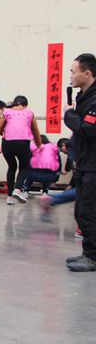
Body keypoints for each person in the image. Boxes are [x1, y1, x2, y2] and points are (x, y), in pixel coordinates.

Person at [63, 53, 96, 272]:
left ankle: (92, 257)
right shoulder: (84, 97)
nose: (71, 76)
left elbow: (88, 128)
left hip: (93, 167)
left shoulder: (94, 100)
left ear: (87, 73)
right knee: (80, 213)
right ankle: (88, 253)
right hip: (84, 165)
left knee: (88, 213)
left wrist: (68, 114)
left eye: (73, 71)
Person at [0, 95, 42, 204]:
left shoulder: (7, 112)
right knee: (24, 167)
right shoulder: (29, 113)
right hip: (23, 143)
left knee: (12, 167)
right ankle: (17, 190)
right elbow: (35, 131)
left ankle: (10, 197)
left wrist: (4, 134)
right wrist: (38, 144)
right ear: (25, 105)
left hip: (7, 143)